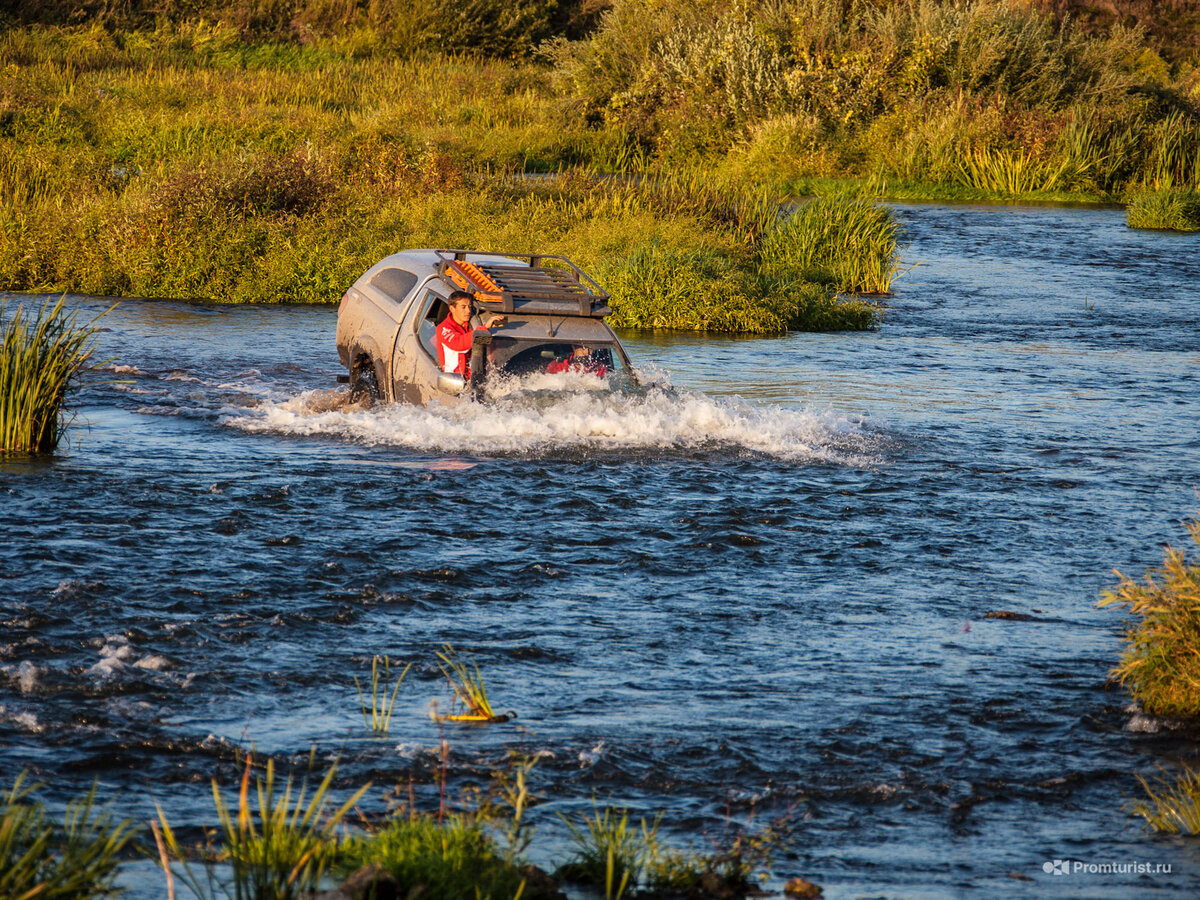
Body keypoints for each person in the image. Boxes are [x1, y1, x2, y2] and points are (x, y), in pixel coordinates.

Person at [436, 290, 505, 378]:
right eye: (463, 307)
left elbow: (482, 344)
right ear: (452, 309)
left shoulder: (472, 324)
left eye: (469, 306)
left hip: (476, 377)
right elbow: (459, 344)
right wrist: (484, 329)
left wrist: (492, 333)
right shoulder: (443, 329)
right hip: (455, 381)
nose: (468, 311)